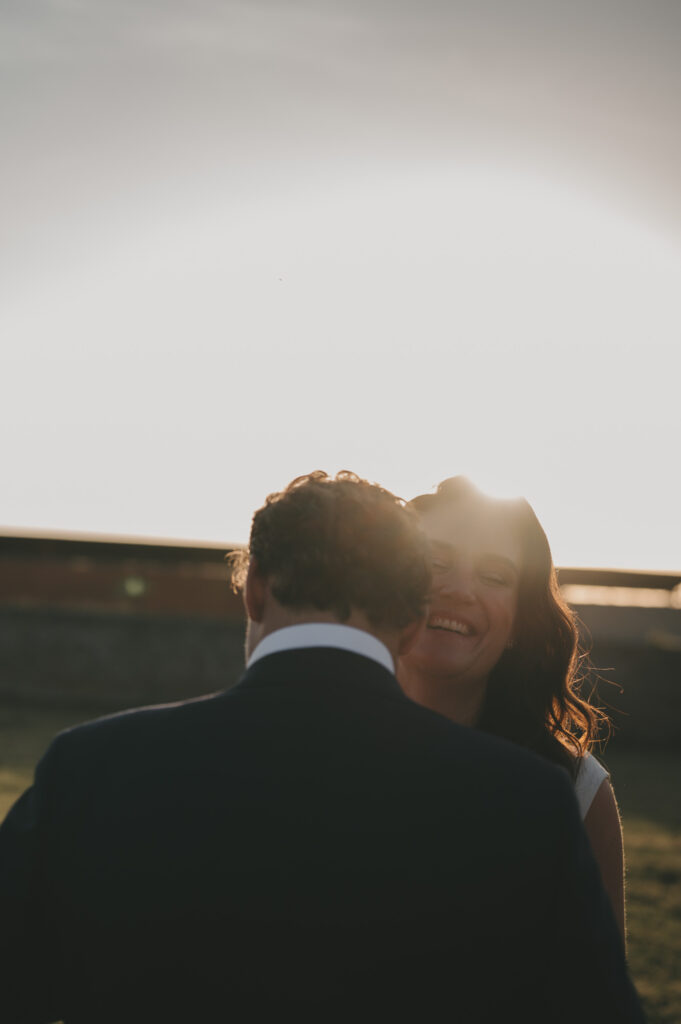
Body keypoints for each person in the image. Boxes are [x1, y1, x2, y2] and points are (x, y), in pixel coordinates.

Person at [0, 471, 643, 1021]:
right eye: (438, 564)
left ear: (253, 591)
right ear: (411, 613)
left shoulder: (89, 768)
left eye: (494, 574)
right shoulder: (526, 800)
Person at [398, 476, 627, 940]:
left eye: (494, 576)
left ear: (521, 621)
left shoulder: (576, 789)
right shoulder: (315, 750)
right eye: (435, 562)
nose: (460, 590)